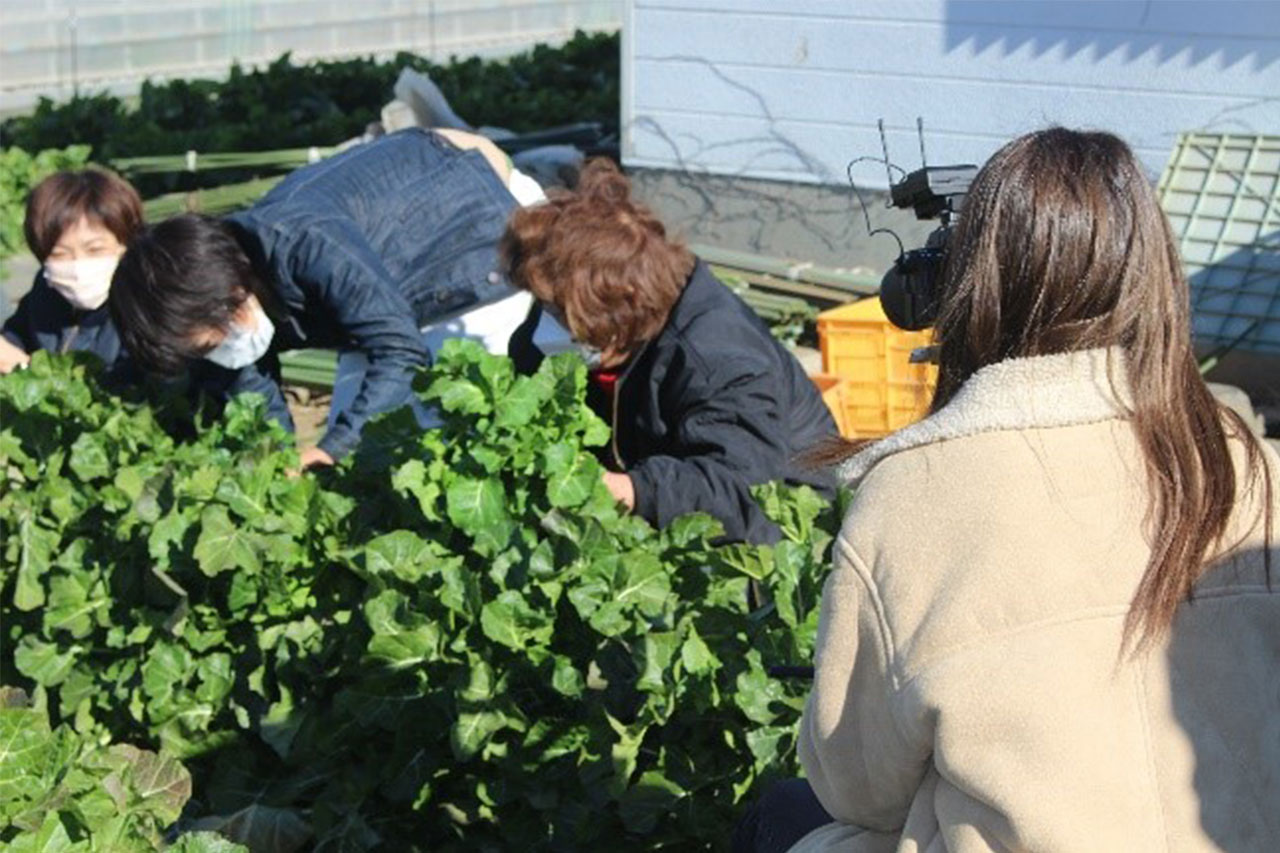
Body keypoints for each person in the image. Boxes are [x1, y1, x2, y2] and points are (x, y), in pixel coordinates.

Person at [735, 128, 1279, 852]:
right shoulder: (1250, 467)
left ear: (974, 279)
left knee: (785, 817)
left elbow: (856, 785)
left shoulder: (911, 494)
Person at [109, 127, 542, 467]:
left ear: (234, 299)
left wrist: (332, 449)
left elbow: (401, 352)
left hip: (476, 228)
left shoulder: (307, 242)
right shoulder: (233, 287)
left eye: (211, 343)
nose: (220, 351)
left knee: (439, 427)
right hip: (387, 293)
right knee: (359, 447)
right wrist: (280, 462)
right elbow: (252, 387)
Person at [503, 160, 839, 544]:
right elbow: (527, 371)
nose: (547, 324)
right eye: (545, 306)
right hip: (665, 485)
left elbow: (741, 491)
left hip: (780, 528)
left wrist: (629, 490)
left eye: (558, 313)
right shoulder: (592, 315)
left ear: (617, 309)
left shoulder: (719, 359)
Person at [1, 169, 144, 382]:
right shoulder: (47, 287)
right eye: (59, 254)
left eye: (95, 250)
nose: (77, 266)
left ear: (126, 242)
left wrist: (26, 370)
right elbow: (18, 334)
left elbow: (128, 388)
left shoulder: (146, 307)